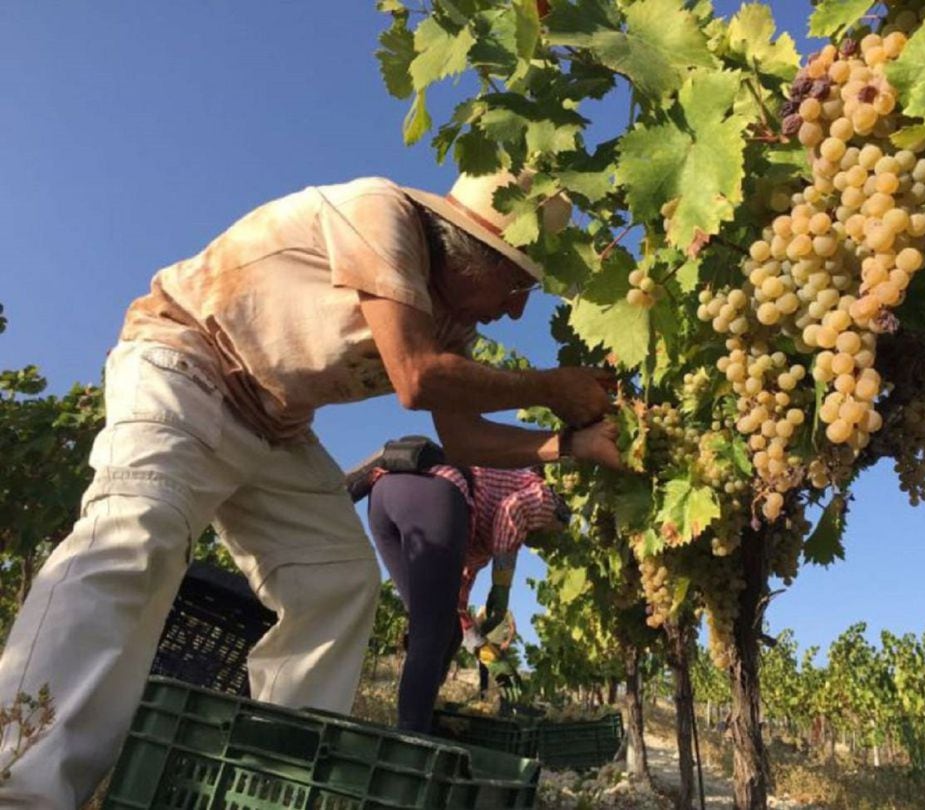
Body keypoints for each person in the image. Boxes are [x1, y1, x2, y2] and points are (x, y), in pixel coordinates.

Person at [0, 170, 622, 809]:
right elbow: (415, 379)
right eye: (517, 280)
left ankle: (272, 784)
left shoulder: (451, 323)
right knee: (135, 533)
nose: (517, 307)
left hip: (275, 422)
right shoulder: (384, 213)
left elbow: (460, 437)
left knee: (339, 581)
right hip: (185, 364)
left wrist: (572, 445)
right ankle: (19, 785)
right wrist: (549, 387)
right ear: (474, 248)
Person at [366, 459, 574, 732]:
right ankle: (411, 740)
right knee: (433, 630)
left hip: (385, 497)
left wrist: (493, 659)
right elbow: (512, 511)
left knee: (442, 624)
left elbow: (458, 610)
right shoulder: (551, 499)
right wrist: (502, 589)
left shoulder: (471, 540)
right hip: (435, 491)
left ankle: (420, 720)